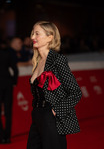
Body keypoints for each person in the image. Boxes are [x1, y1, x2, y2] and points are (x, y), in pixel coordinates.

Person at [26, 21, 82, 149]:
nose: (33, 37)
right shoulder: (38, 62)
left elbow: (76, 92)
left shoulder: (58, 60)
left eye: (37, 34)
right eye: (32, 33)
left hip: (51, 117)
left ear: (50, 37)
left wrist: (55, 111)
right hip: (36, 116)